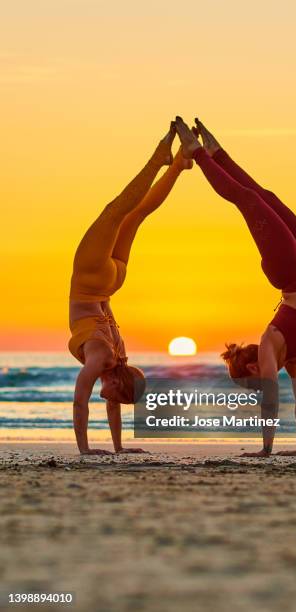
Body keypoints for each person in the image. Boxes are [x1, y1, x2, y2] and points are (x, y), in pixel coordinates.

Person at [175, 116, 296, 457]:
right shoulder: (295, 357)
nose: (259, 387)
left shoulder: (271, 343)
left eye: (252, 383)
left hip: (289, 269)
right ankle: (216, 154)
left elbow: (271, 400)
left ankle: (200, 152)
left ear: (255, 370)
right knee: (261, 197)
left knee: (252, 200)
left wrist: (266, 450)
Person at [69, 124, 193, 455]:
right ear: (117, 383)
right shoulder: (103, 359)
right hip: (91, 279)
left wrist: (118, 449)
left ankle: (179, 164)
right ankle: (162, 160)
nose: (103, 395)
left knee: (134, 215)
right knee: (117, 212)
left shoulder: (118, 355)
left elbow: (101, 401)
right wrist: (86, 451)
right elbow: (80, 400)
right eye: (111, 393)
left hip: (111, 283)